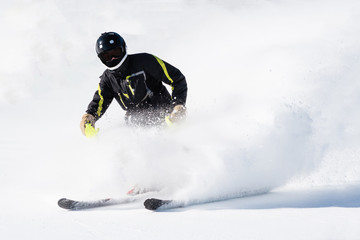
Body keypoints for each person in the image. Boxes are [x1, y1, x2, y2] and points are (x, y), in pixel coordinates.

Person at [80, 32, 188, 136]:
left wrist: (178, 104)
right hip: (136, 125)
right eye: (107, 56)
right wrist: (90, 116)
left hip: (168, 116)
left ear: (123, 49)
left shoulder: (145, 61)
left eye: (116, 53)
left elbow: (177, 78)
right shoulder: (107, 79)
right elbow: (100, 101)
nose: (113, 58)